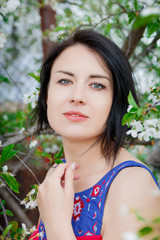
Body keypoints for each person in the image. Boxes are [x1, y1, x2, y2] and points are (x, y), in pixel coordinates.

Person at [29, 29, 160, 240]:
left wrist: (56, 225)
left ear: (117, 102)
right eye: (65, 81)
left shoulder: (133, 186)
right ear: (45, 94)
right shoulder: (59, 178)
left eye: (97, 85)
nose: (77, 96)